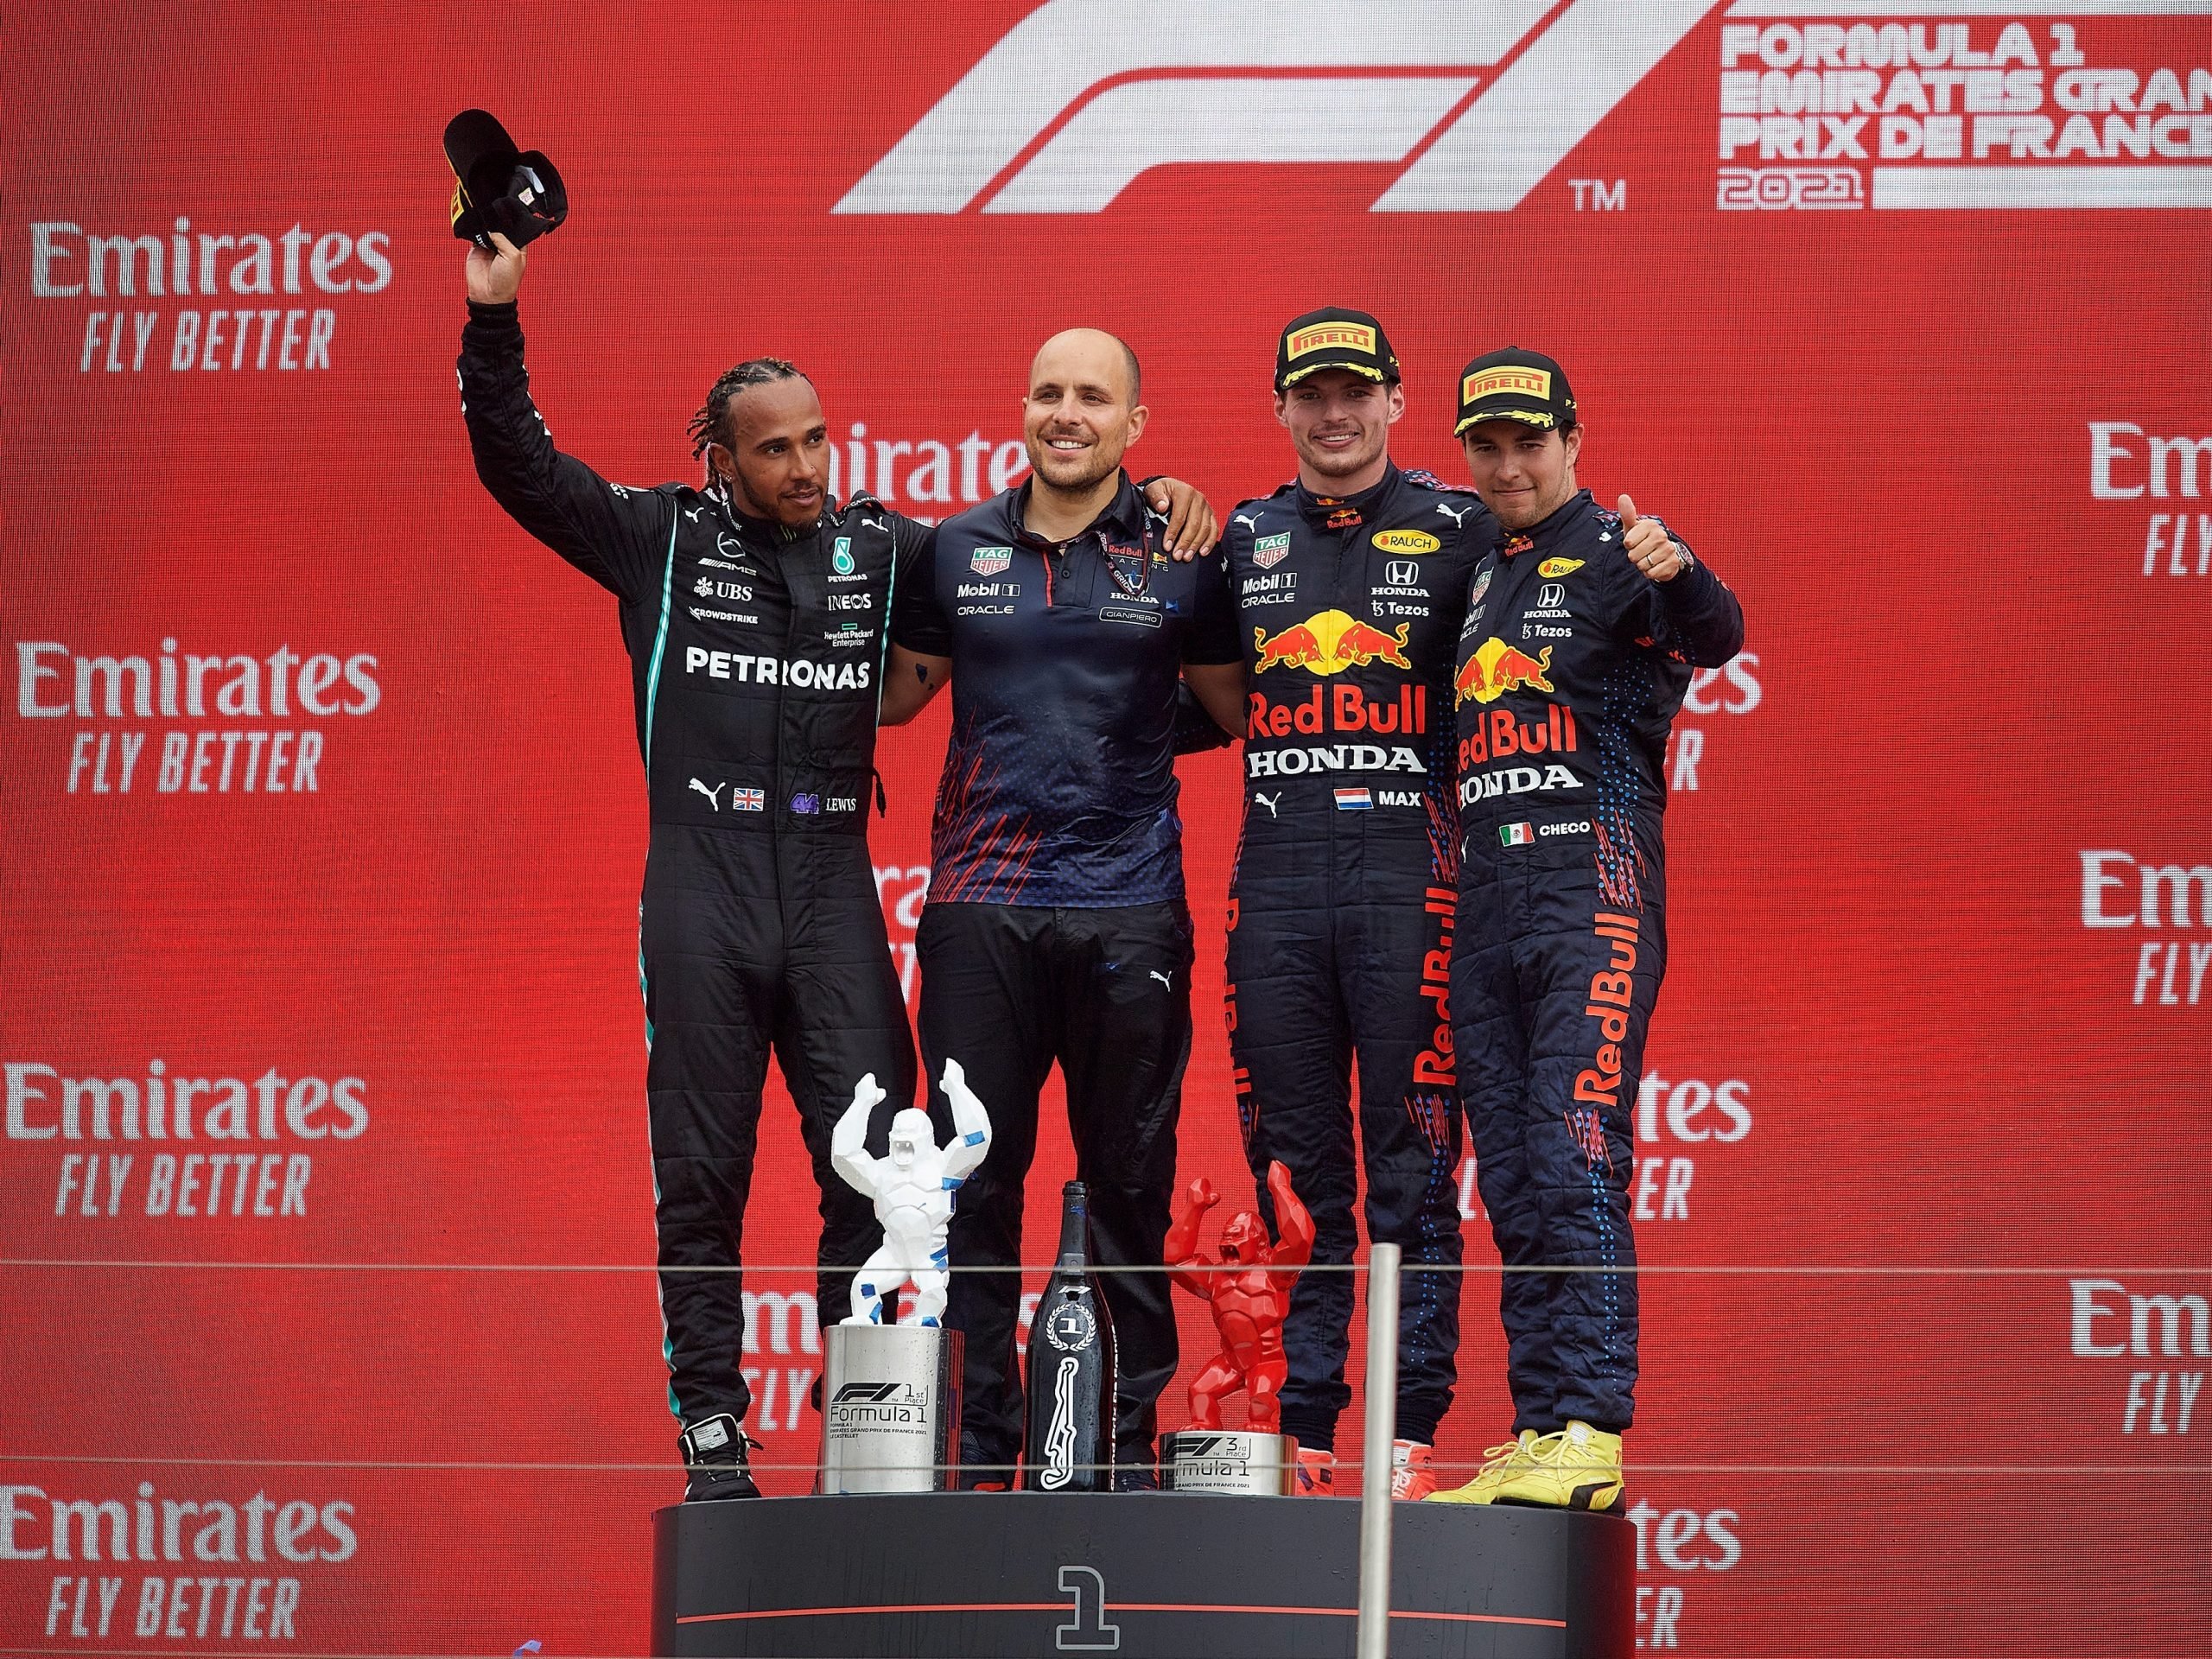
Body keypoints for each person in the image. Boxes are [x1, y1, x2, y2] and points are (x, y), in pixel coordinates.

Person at [456, 232, 1213, 1500]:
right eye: (776, 448)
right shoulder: (655, 537)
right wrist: (494, 312)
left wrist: (1165, 497)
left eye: (818, 439)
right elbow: (517, 464)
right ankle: (710, 1435)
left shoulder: (890, 551)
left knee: (884, 1173)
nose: (807, 466)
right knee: (700, 1175)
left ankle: (866, 1439)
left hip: (828, 878)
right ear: (724, 457)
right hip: (700, 880)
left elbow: (1052, 586)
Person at [1214, 310, 1692, 1501]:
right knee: (1291, 1176)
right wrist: (1152, 502)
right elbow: (1182, 688)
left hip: (1428, 889)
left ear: (1394, 401)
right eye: (1311, 395)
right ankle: (1299, 1420)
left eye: (1356, 393)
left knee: (1421, 1177)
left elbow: (1661, 628)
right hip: (1276, 893)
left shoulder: (1474, 531)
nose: (1335, 415)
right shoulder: (1242, 537)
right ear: (1280, 406)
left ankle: (1409, 1429)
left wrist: (1672, 572)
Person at [882, 327, 1243, 1488]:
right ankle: (978, 1455)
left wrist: (1117, 738)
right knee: (971, 1189)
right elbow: (897, 698)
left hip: (1129, 907)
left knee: (1130, 1180)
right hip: (980, 909)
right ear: (1022, 408)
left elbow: (1229, 709)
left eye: (1095, 396)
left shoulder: (1187, 549)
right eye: (1048, 392)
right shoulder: (953, 549)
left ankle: (1123, 1457)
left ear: (1136, 425)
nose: (1067, 412)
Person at [1425, 349, 1743, 1512]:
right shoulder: (1475, 569)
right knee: (1510, 1176)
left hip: (1593, 892)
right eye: (1489, 445)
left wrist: (1685, 569)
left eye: (1530, 441)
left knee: (1575, 1152)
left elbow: (1717, 635)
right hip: (1489, 905)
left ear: (1573, 439)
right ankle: (1538, 1427)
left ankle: (1595, 1431)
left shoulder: (1620, 552)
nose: (1510, 464)